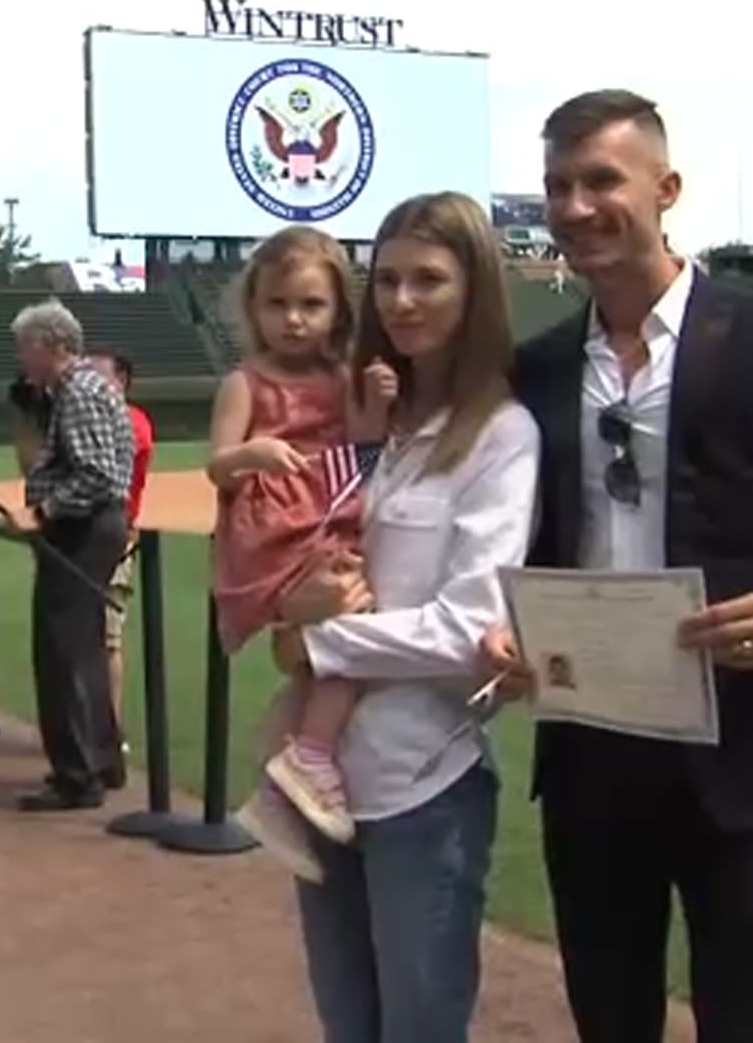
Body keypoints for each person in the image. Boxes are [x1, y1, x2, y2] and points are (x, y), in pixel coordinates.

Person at [480, 90, 753, 1042]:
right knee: (610, 1013)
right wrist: (508, 630)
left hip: (737, 751)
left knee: (746, 1018)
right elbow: (521, 541)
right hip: (589, 753)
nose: (575, 207)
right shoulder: (536, 369)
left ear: (667, 189)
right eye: (557, 186)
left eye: (600, 181)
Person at [264, 191, 539, 1042]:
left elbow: (469, 630)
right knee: (348, 1027)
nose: (403, 301)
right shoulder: (374, 433)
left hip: (427, 785)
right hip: (321, 781)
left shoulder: (501, 435)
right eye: (386, 280)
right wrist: (292, 612)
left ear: (475, 291)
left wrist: (312, 638)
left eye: (429, 279)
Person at [205, 225, 395, 844]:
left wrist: (380, 398)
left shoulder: (341, 376)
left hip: (333, 513)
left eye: (311, 304)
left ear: (338, 308)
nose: (293, 319)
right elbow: (217, 464)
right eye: (278, 304)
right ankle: (310, 755)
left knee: (333, 642)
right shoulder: (245, 383)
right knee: (350, 630)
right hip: (276, 532)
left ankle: (288, 774)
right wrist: (253, 453)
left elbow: (366, 443)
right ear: (254, 308)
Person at [11, 298, 134, 811]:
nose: (21, 357)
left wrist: (43, 511)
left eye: (26, 346)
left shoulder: (79, 391)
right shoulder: (78, 390)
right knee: (81, 647)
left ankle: (77, 774)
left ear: (51, 344)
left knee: (63, 651)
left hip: (83, 528)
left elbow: (97, 476)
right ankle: (101, 760)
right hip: (91, 528)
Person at [88, 350, 155, 750]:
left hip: (114, 539)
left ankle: (111, 729)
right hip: (82, 539)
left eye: (99, 377)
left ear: (122, 381)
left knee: (108, 638)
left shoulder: (132, 422)